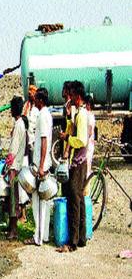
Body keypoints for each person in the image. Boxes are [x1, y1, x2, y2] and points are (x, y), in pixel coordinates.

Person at [58, 81, 88, 252]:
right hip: (77, 162)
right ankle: (81, 237)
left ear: (78, 96)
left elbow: (81, 139)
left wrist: (67, 139)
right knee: (79, 200)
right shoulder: (77, 114)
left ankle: (73, 241)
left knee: (74, 201)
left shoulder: (82, 115)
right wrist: (70, 118)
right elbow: (72, 129)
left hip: (78, 162)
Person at [24, 88, 52, 246]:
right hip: (45, 162)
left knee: (38, 202)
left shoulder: (42, 115)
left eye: (36, 98)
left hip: (41, 164)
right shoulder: (47, 114)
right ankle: (45, 235)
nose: (33, 100)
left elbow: (44, 141)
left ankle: (38, 237)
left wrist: (40, 165)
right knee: (45, 202)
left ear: (40, 100)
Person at [5, 96, 28, 240]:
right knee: (13, 197)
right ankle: (11, 227)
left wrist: (8, 164)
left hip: (14, 166)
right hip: (17, 164)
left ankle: (13, 230)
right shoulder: (21, 124)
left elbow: (13, 149)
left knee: (13, 198)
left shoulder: (19, 124)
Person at [19, 85, 39, 223]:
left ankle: (33, 196)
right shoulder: (26, 106)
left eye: (32, 93)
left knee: (34, 169)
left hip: (34, 143)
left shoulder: (37, 110)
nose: (30, 94)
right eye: (29, 92)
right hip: (26, 142)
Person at [85, 95, 95, 179]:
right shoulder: (89, 115)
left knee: (87, 167)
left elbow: (90, 131)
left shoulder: (89, 116)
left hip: (88, 145)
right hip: (88, 144)